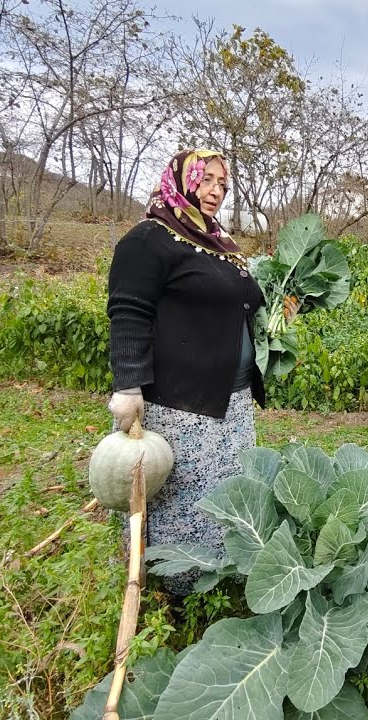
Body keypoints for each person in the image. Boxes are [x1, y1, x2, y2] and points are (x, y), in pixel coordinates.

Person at [105, 148, 264, 597]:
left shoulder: (218, 244)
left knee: (220, 495)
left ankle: (217, 581)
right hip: (177, 405)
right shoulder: (149, 239)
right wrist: (128, 385)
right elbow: (128, 312)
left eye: (223, 185)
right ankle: (170, 589)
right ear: (182, 178)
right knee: (182, 497)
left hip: (228, 402)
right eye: (207, 180)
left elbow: (248, 300)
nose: (216, 191)